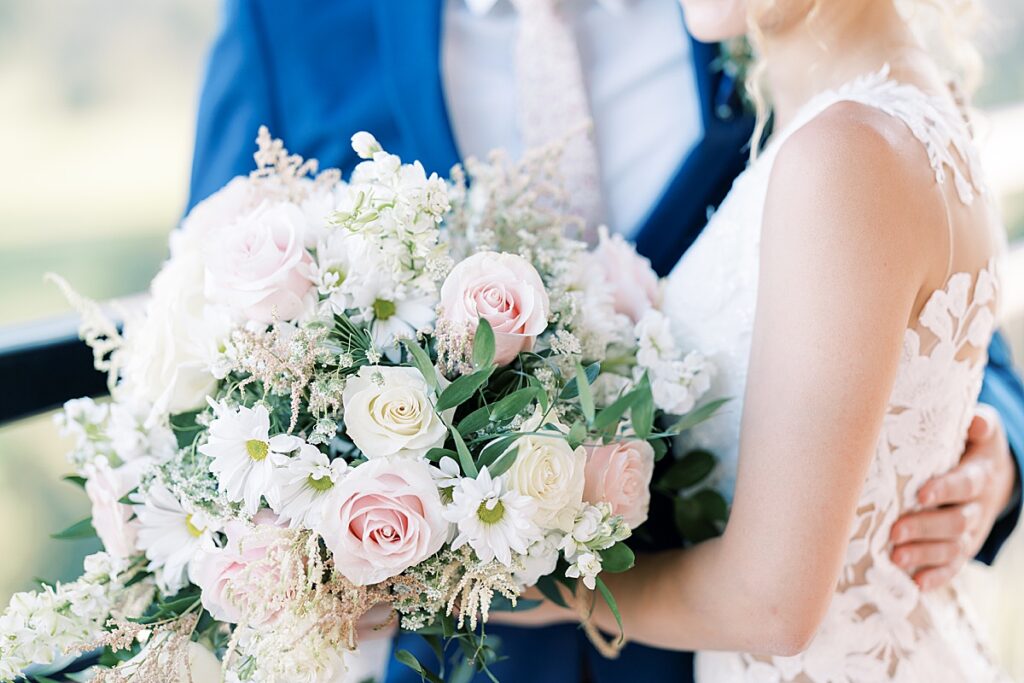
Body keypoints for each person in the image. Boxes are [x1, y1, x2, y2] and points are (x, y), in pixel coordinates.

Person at [186, 1, 1024, 681]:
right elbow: (215, 349)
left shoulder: (793, 79)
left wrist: (981, 446)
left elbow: (910, 301)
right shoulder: (284, 26)